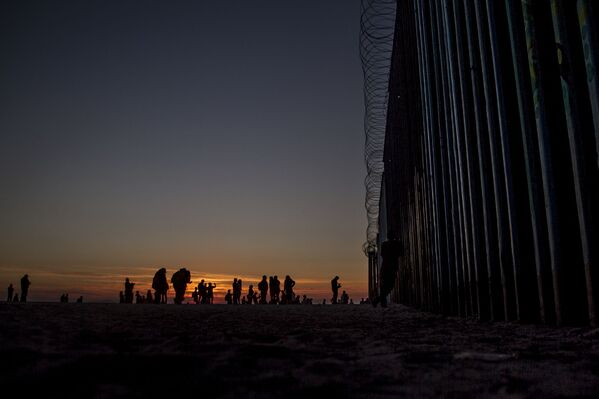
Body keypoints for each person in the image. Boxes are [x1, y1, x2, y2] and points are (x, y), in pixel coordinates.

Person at [374, 230, 404, 308]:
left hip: (384, 267)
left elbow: (382, 255)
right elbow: (401, 253)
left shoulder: (384, 244)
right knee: (390, 285)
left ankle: (381, 301)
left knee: (384, 286)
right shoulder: (397, 244)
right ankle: (379, 300)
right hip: (392, 267)